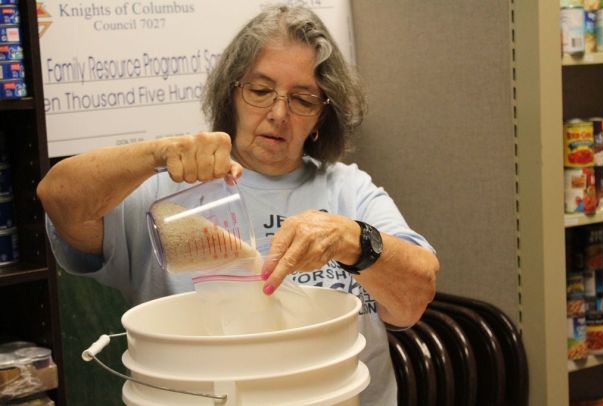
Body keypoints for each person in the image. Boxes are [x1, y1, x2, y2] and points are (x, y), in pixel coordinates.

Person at [36, 4, 439, 405]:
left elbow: (415, 296)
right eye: (260, 91)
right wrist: (156, 154)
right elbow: (57, 197)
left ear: (321, 117)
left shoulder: (349, 190)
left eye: (303, 100)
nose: (278, 114)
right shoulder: (164, 191)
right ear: (231, 93)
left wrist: (351, 239)